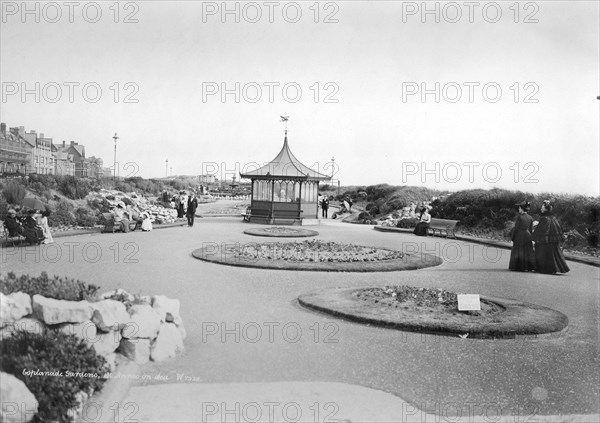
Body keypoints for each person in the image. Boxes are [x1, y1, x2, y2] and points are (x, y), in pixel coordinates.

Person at [532, 200, 570, 274]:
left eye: (542, 207)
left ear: (546, 209)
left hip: (545, 240)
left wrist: (534, 236)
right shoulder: (553, 218)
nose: (541, 209)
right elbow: (558, 228)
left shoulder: (544, 218)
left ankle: (544, 269)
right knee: (554, 254)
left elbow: (540, 229)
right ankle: (553, 268)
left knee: (542, 252)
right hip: (553, 239)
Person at [509, 201, 535, 271]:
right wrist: (531, 238)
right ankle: (528, 267)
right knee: (527, 250)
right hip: (527, 235)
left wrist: (513, 237)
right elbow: (530, 229)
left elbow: (516, 228)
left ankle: (518, 266)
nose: (519, 210)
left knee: (519, 250)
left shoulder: (519, 217)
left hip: (520, 235)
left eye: (519, 208)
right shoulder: (530, 217)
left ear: (522, 208)